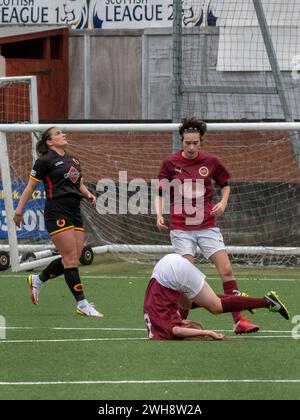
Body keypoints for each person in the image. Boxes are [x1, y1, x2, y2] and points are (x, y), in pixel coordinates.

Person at [156, 116, 258, 334]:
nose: (191, 147)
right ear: (181, 141)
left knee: (227, 269)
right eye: (187, 143)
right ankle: (179, 320)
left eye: (196, 143)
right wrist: (158, 214)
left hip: (207, 225)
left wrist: (223, 201)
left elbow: (225, 184)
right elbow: (161, 191)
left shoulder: (211, 161)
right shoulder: (170, 163)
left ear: (201, 141)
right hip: (181, 228)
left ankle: (238, 321)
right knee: (185, 274)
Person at [13, 127, 102, 317]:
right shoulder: (44, 161)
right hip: (57, 211)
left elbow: (78, 183)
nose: (63, 135)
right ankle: (82, 304)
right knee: (70, 260)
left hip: (75, 210)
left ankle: (38, 279)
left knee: (73, 258)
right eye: (58, 133)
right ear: (50, 142)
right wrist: (19, 210)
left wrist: (87, 194)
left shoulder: (74, 160)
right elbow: (30, 187)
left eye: (63, 133)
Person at [143, 254, 290, 340]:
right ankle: (239, 301)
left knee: (216, 307)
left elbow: (177, 331)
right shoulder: (153, 325)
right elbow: (179, 323)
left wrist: (207, 332)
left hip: (173, 273)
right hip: (164, 267)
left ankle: (267, 302)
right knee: (187, 304)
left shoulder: (165, 331)